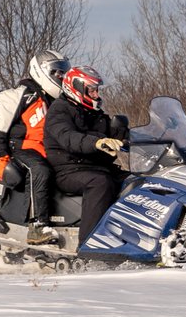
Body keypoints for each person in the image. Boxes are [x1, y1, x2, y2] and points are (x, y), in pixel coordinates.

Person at [43, 65, 130, 244]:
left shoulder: (94, 113)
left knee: (135, 181)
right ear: (76, 86)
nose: (96, 95)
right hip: (69, 170)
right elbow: (68, 138)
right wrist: (97, 142)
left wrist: (133, 138)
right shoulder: (59, 110)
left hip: (96, 167)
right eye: (91, 90)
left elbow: (113, 134)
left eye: (96, 90)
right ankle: (89, 246)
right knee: (100, 183)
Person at [0, 50, 66, 228]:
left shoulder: (58, 101)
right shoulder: (19, 96)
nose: (61, 76)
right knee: (39, 170)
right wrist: (0, 159)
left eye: (63, 72)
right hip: (20, 149)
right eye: (56, 72)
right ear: (41, 71)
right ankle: (37, 225)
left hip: (46, 151)